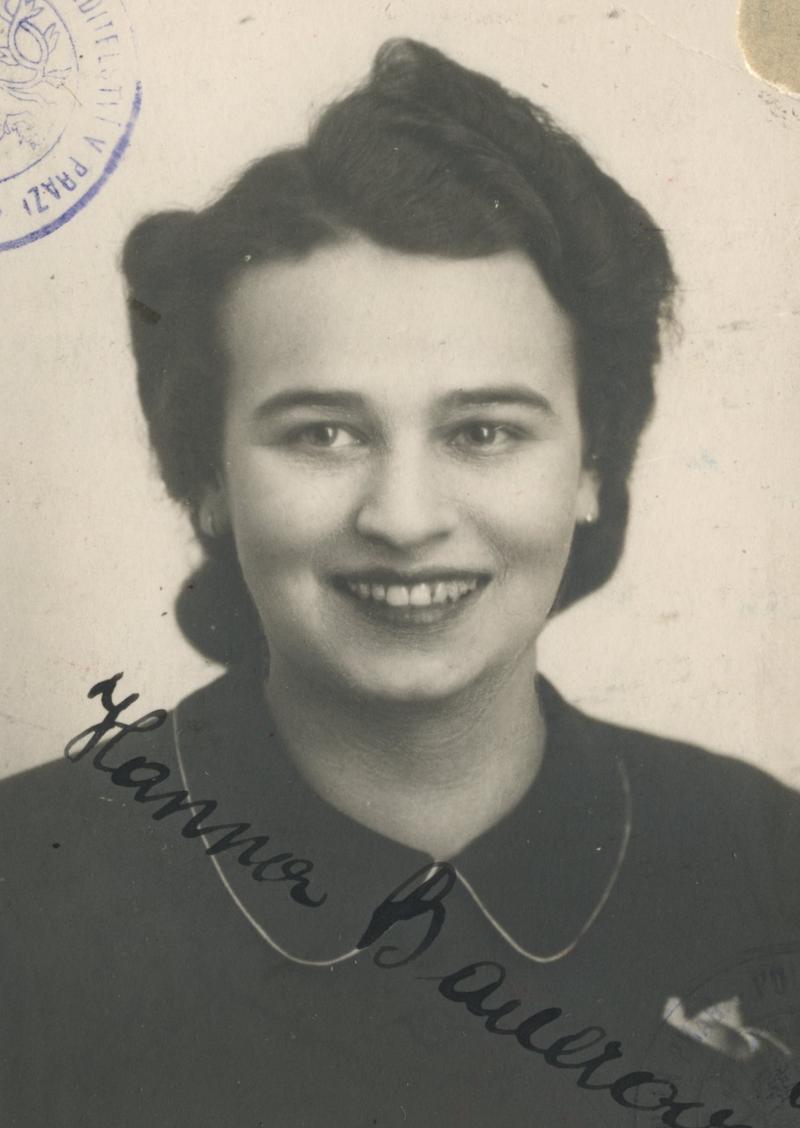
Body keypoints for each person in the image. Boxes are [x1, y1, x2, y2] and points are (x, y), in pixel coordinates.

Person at [3, 38, 799, 1128]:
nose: (406, 518)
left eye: (483, 430)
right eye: (323, 432)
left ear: (592, 465)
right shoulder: (26, 885)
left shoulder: (765, 859)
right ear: (206, 477)